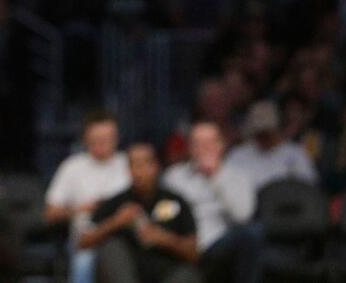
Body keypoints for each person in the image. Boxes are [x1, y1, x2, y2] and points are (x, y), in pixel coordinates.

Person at [79, 143, 200, 283]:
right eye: (133, 165)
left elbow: (194, 254)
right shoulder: (117, 202)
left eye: (144, 164)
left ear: (155, 166)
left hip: (167, 274)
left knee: (188, 274)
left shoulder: (176, 201)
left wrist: (164, 239)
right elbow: (83, 242)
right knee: (111, 247)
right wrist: (116, 222)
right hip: (126, 276)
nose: (138, 171)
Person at [162, 122, 260, 283]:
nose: (204, 148)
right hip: (185, 245)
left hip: (220, 247)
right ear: (190, 148)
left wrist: (215, 177)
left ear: (221, 145)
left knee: (253, 233)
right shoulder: (174, 176)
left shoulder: (238, 176)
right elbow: (163, 214)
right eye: (197, 143)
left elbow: (243, 216)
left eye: (209, 142)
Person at [44, 111, 130, 283]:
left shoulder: (129, 164)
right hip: (86, 241)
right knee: (84, 262)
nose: (103, 144)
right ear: (85, 139)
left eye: (108, 138)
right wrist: (83, 208)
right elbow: (50, 214)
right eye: (96, 139)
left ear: (117, 137)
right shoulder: (72, 166)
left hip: (125, 239)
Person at [224, 100, 317, 190]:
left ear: (276, 128)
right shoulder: (238, 155)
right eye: (260, 132)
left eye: (267, 132)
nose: (264, 136)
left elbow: (308, 188)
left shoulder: (296, 154)